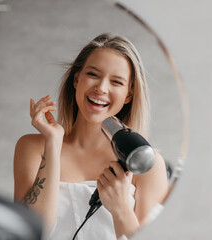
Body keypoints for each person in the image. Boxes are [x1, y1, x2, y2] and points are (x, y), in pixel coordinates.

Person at [13, 33, 168, 239]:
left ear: (129, 95)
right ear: (77, 79)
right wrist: (53, 143)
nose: (101, 88)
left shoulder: (145, 163)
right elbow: (28, 233)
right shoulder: (33, 147)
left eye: (116, 82)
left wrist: (121, 207)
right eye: (93, 74)